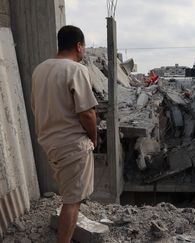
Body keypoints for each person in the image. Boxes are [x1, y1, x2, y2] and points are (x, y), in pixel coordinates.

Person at [31, 25, 98, 243]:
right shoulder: (77, 70)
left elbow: (36, 107)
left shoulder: (40, 69)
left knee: (69, 196)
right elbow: (87, 113)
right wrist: (94, 139)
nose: (84, 51)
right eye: (84, 47)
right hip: (73, 146)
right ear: (78, 46)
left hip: (50, 143)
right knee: (72, 201)